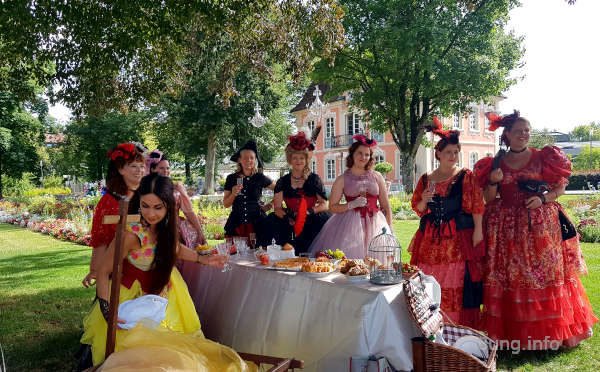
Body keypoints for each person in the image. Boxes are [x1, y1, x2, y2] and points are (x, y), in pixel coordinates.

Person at [80, 174, 251, 370]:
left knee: (177, 348)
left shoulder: (165, 227)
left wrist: (201, 259)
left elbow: (173, 248)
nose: (150, 214)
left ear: (168, 205)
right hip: (132, 298)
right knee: (143, 353)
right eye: (145, 206)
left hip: (164, 292)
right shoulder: (131, 235)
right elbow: (103, 271)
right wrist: (107, 310)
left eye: (157, 207)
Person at [474, 110, 597, 349]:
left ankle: (553, 335)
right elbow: (488, 199)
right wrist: (493, 181)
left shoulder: (544, 157)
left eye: (527, 130)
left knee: (545, 275)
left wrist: (544, 198)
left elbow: (560, 188)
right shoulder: (495, 162)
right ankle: (515, 336)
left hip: (541, 226)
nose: (524, 134)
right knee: (513, 277)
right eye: (519, 131)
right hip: (507, 230)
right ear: (507, 135)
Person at [408, 117, 485, 327]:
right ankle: (430, 323)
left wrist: (478, 230)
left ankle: (453, 325)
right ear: (438, 154)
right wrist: (424, 199)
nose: (453, 156)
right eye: (448, 152)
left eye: (456, 152)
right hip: (430, 239)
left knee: (456, 277)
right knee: (429, 277)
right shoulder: (426, 178)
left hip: (457, 237)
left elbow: (477, 204)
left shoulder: (465, 176)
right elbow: (419, 209)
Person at [308, 134, 392, 258]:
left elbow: (386, 206)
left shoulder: (377, 176)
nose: (363, 157)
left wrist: (390, 228)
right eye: (360, 153)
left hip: (375, 222)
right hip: (350, 224)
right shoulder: (342, 179)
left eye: (367, 154)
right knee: (351, 260)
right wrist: (351, 204)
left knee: (377, 262)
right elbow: (332, 207)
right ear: (352, 154)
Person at [82, 142, 145, 288]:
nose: (139, 170)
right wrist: (94, 270)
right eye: (134, 166)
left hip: (149, 265)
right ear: (121, 169)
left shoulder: (149, 195)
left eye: (142, 166)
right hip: (120, 270)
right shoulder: (109, 202)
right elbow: (101, 240)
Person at [266, 129, 330, 255]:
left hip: (312, 219)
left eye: (301, 158)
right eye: (295, 158)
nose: (298, 161)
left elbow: (324, 204)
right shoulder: (282, 182)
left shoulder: (314, 179)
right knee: (271, 220)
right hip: (289, 220)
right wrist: (288, 216)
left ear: (306, 160)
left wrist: (308, 212)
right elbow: (278, 208)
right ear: (290, 160)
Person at [147, 149, 206, 248]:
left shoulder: (177, 188)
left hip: (175, 231)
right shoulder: (146, 188)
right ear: (153, 169)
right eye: (161, 168)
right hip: (153, 230)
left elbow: (189, 212)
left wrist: (200, 232)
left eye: (168, 168)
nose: (165, 171)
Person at [223, 140, 275, 246]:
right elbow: (226, 204)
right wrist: (233, 194)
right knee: (236, 256)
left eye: (252, 157)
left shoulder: (259, 177)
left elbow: (280, 189)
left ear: (255, 160)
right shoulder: (231, 178)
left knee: (258, 254)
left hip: (257, 224)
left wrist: (271, 204)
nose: (249, 160)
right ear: (239, 160)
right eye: (245, 158)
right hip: (236, 224)